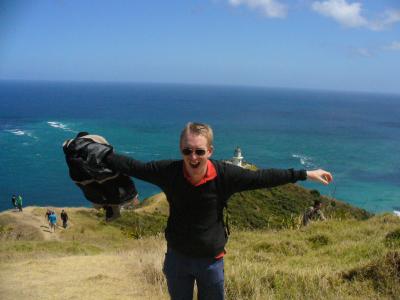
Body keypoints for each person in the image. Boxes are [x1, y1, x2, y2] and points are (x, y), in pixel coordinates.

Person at [82, 122, 333, 300]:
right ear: (181, 149)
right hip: (177, 259)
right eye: (187, 151)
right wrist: (101, 154)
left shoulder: (225, 175)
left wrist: (305, 174)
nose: (193, 157)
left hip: (211, 262)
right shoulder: (169, 171)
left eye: (199, 151)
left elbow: (263, 178)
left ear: (210, 151)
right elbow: (133, 166)